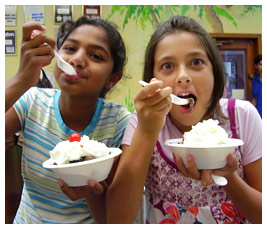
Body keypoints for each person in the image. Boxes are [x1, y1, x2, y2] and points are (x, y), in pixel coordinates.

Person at [106, 16, 262, 224]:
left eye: (196, 62)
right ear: (153, 78)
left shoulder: (242, 116)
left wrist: (228, 177)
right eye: (168, 65)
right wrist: (147, 131)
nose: (183, 76)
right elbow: (117, 220)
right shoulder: (142, 121)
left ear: (215, 71)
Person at [5, 17, 131, 224]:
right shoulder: (33, 101)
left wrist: (90, 191)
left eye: (95, 56)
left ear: (112, 78)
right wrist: (22, 79)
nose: (77, 60)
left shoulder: (119, 124)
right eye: (70, 49)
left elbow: (114, 220)